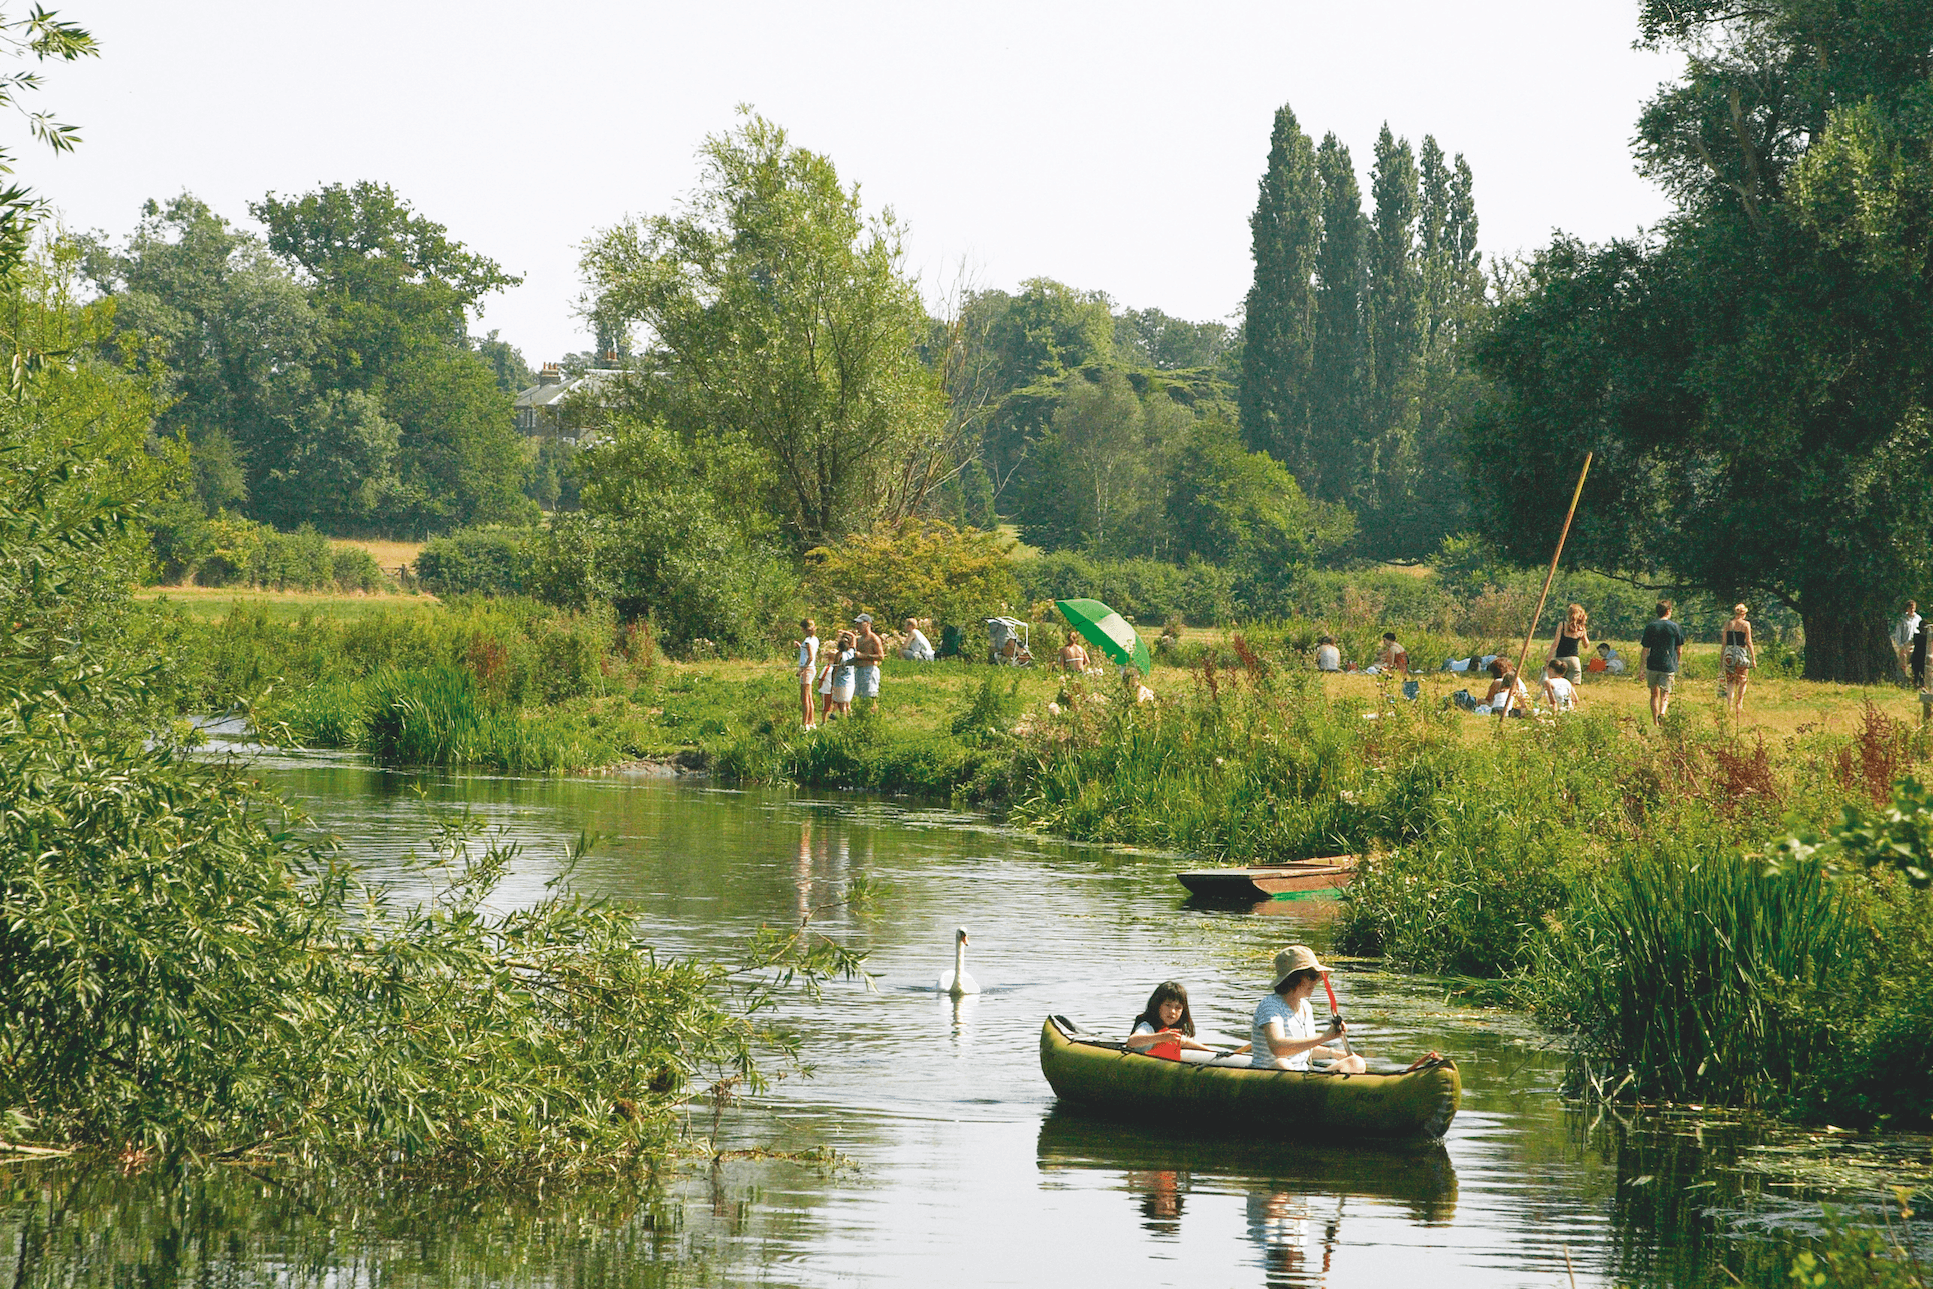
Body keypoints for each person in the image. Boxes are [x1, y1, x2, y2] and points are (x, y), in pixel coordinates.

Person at [1250, 946, 1366, 1075]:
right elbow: (1278, 1048)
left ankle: (1311, 1088)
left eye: (1317, 976)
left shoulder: (1306, 1006)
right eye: (1311, 976)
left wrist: (1335, 1054)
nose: (1316, 981)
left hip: (1301, 1077)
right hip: (1264, 1078)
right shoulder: (1270, 1006)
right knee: (1282, 1063)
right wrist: (1324, 1037)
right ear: (1293, 978)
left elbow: (1304, 1048)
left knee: (1356, 1062)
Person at [1125, 981, 1215, 1061]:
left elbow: (1184, 1041)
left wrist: (1211, 1051)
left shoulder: (1171, 1031)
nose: (1172, 1011)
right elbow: (1132, 1041)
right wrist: (1161, 1037)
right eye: (1168, 1005)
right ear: (1157, 1006)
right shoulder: (1147, 1027)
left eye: (1178, 1007)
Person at [1639, 600, 1687, 726]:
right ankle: (1663, 712)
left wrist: (1641, 668)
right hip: (1668, 665)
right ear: (1668, 611)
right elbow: (1679, 649)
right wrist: (1677, 662)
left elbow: (1645, 649)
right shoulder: (1675, 627)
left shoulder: (1650, 626)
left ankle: (1655, 722)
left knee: (1654, 693)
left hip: (1652, 664)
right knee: (1666, 692)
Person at [1720, 603, 1758, 718]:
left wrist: (1721, 657)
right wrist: (1753, 658)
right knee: (1743, 680)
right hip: (1741, 654)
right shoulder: (1746, 624)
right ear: (1743, 613)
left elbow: (1724, 642)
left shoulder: (1728, 624)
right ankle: (1739, 703)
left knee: (1730, 681)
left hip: (1729, 654)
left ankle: (1729, 705)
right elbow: (1749, 642)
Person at [1549, 603, 1590, 686]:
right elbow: (1586, 645)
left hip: (1560, 659)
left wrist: (1549, 658)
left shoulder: (1563, 625)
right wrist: (1583, 633)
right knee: (1571, 688)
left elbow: (1555, 644)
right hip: (1574, 660)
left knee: (1557, 685)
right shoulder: (1581, 628)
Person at [851, 614, 885, 706]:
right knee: (859, 698)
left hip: (869, 670)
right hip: (859, 670)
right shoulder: (859, 639)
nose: (858, 626)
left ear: (868, 624)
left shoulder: (873, 638)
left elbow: (881, 656)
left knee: (870, 698)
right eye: (857, 624)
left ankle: (873, 717)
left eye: (860, 624)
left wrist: (863, 656)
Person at [794, 619, 820, 729]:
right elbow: (807, 652)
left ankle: (804, 723)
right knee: (809, 697)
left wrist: (802, 670)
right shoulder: (814, 639)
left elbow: (810, 657)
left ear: (804, 629)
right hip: (811, 669)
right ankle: (811, 722)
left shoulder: (808, 641)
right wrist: (800, 647)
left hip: (807, 670)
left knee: (804, 698)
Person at [826, 630, 857, 720]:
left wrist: (832, 683)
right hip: (850, 682)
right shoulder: (852, 652)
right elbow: (854, 638)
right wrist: (846, 632)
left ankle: (844, 721)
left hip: (840, 683)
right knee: (847, 703)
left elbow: (835, 670)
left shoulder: (839, 655)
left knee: (841, 704)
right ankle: (850, 718)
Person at [1895, 601, 1922, 675]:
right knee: (1903, 664)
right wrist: (1900, 644)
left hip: (1915, 644)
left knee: (1914, 663)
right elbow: (1898, 633)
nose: (1912, 610)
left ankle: (1913, 678)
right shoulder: (1902, 619)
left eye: (1913, 608)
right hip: (1905, 644)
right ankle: (1903, 679)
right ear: (1907, 609)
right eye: (1910, 608)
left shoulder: (1918, 618)